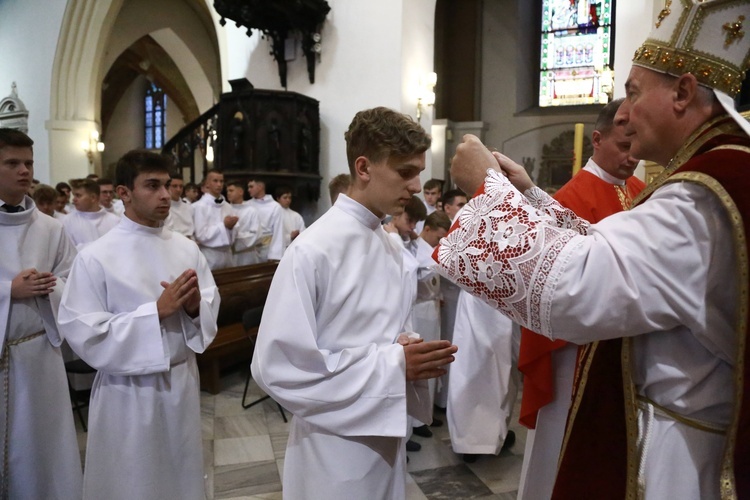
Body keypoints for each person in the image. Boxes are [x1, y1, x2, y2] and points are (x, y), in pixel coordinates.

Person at [434, 3, 750, 498]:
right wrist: (529, 198)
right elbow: (618, 256)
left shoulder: (705, 197)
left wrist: (482, 191)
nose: (623, 111)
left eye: (633, 92)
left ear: (684, 92)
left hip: (682, 457)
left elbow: (575, 288)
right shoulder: (726, 177)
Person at [251, 107, 458, 500]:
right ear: (363, 167)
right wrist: (394, 364)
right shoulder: (312, 250)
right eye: (404, 171)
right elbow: (276, 366)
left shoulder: (390, 245)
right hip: (330, 442)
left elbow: (383, 334)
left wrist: (406, 348)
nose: (416, 185)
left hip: (384, 432)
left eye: (418, 172)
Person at [58, 150, 219, 500]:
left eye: (166, 185)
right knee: (131, 481)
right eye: (152, 186)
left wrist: (194, 309)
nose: (165, 195)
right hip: (126, 393)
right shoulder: (95, 256)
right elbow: (85, 332)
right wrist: (155, 313)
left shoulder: (187, 249)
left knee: (180, 474)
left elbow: (208, 308)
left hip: (181, 383)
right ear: (123, 193)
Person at [516, 97, 646, 500]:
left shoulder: (644, 191)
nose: (633, 157)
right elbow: (558, 285)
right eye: (624, 146)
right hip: (575, 352)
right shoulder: (569, 198)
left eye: (637, 146)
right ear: (597, 139)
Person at [0, 128, 82, 498]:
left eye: (29, 163)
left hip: (40, 356)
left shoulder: (51, 228)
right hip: (4, 353)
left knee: (43, 447)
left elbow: (73, 282)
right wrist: (8, 292)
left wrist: (50, 288)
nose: (24, 171)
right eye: (12, 163)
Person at [448, 291, 519, 463]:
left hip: (475, 291)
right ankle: (489, 438)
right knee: (498, 369)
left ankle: (468, 440)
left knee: (468, 363)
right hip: (501, 294)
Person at [192, 169, 237, 270]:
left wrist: (231, 228)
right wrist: (224, 226)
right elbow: (201, 235)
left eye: (221, 181)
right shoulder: (200, 206)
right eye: (215, 181)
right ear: (207, 184)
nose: (219, 184)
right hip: (210, 254)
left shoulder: (227, 206)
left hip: (227, 254)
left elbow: (234, 234)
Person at [62, 177, 120, 250]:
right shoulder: (68, 221)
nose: (74, 199)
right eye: (74, 195)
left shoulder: (115, 221)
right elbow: (68, 252)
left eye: (78, 195)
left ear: (93, 198)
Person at [247, 178, 285, 261]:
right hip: (250, 249)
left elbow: (278, 232)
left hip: (267, 249)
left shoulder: (275, 206)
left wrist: (275, 256)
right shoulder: (247, 205)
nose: (248, 190)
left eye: (251, 187)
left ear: (260, 187)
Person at [225, 180, 261, 266]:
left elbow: (256, 234)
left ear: (240, 192)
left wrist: (235, 238)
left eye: (231, 190)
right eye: (227, 191)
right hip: (228, 254)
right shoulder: (225, 209)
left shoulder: (251, 211)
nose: (228, 193)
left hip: (247, 255)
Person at [275, 185, 306, 253]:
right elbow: (273, 236)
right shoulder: (275, 214)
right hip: (280, 250)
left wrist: (298, 235)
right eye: (285, 197)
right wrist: (289, 237)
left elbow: (303, 233)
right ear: (278, 199)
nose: (288, 200)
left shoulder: (296, 215)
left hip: (294, 249)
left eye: (289, 198)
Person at [164, 174, 195, 239]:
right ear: (167, 187)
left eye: (181, 186)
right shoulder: (164, 208)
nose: (178, 189)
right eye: (174, 186)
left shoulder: (189, 207)